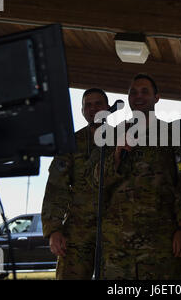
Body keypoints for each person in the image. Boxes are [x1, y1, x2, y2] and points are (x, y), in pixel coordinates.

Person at [96, 73, 181, 280]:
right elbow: (96, 181)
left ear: (157, 97)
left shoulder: (173, 134)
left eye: (145, 91)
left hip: (160, 242)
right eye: (133, 92)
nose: (138, 96)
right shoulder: (113, 134)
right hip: (117, 244)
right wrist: (116, 156)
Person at [41, 88, 110, 279]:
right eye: (88, 105)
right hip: (79, 230)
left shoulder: (124, 138)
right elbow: (57, 187)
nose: (93, 108)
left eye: (98, 104)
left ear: (107, 107)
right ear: (82, 111)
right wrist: (54, 229)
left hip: (116, 230)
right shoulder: (71, 143)